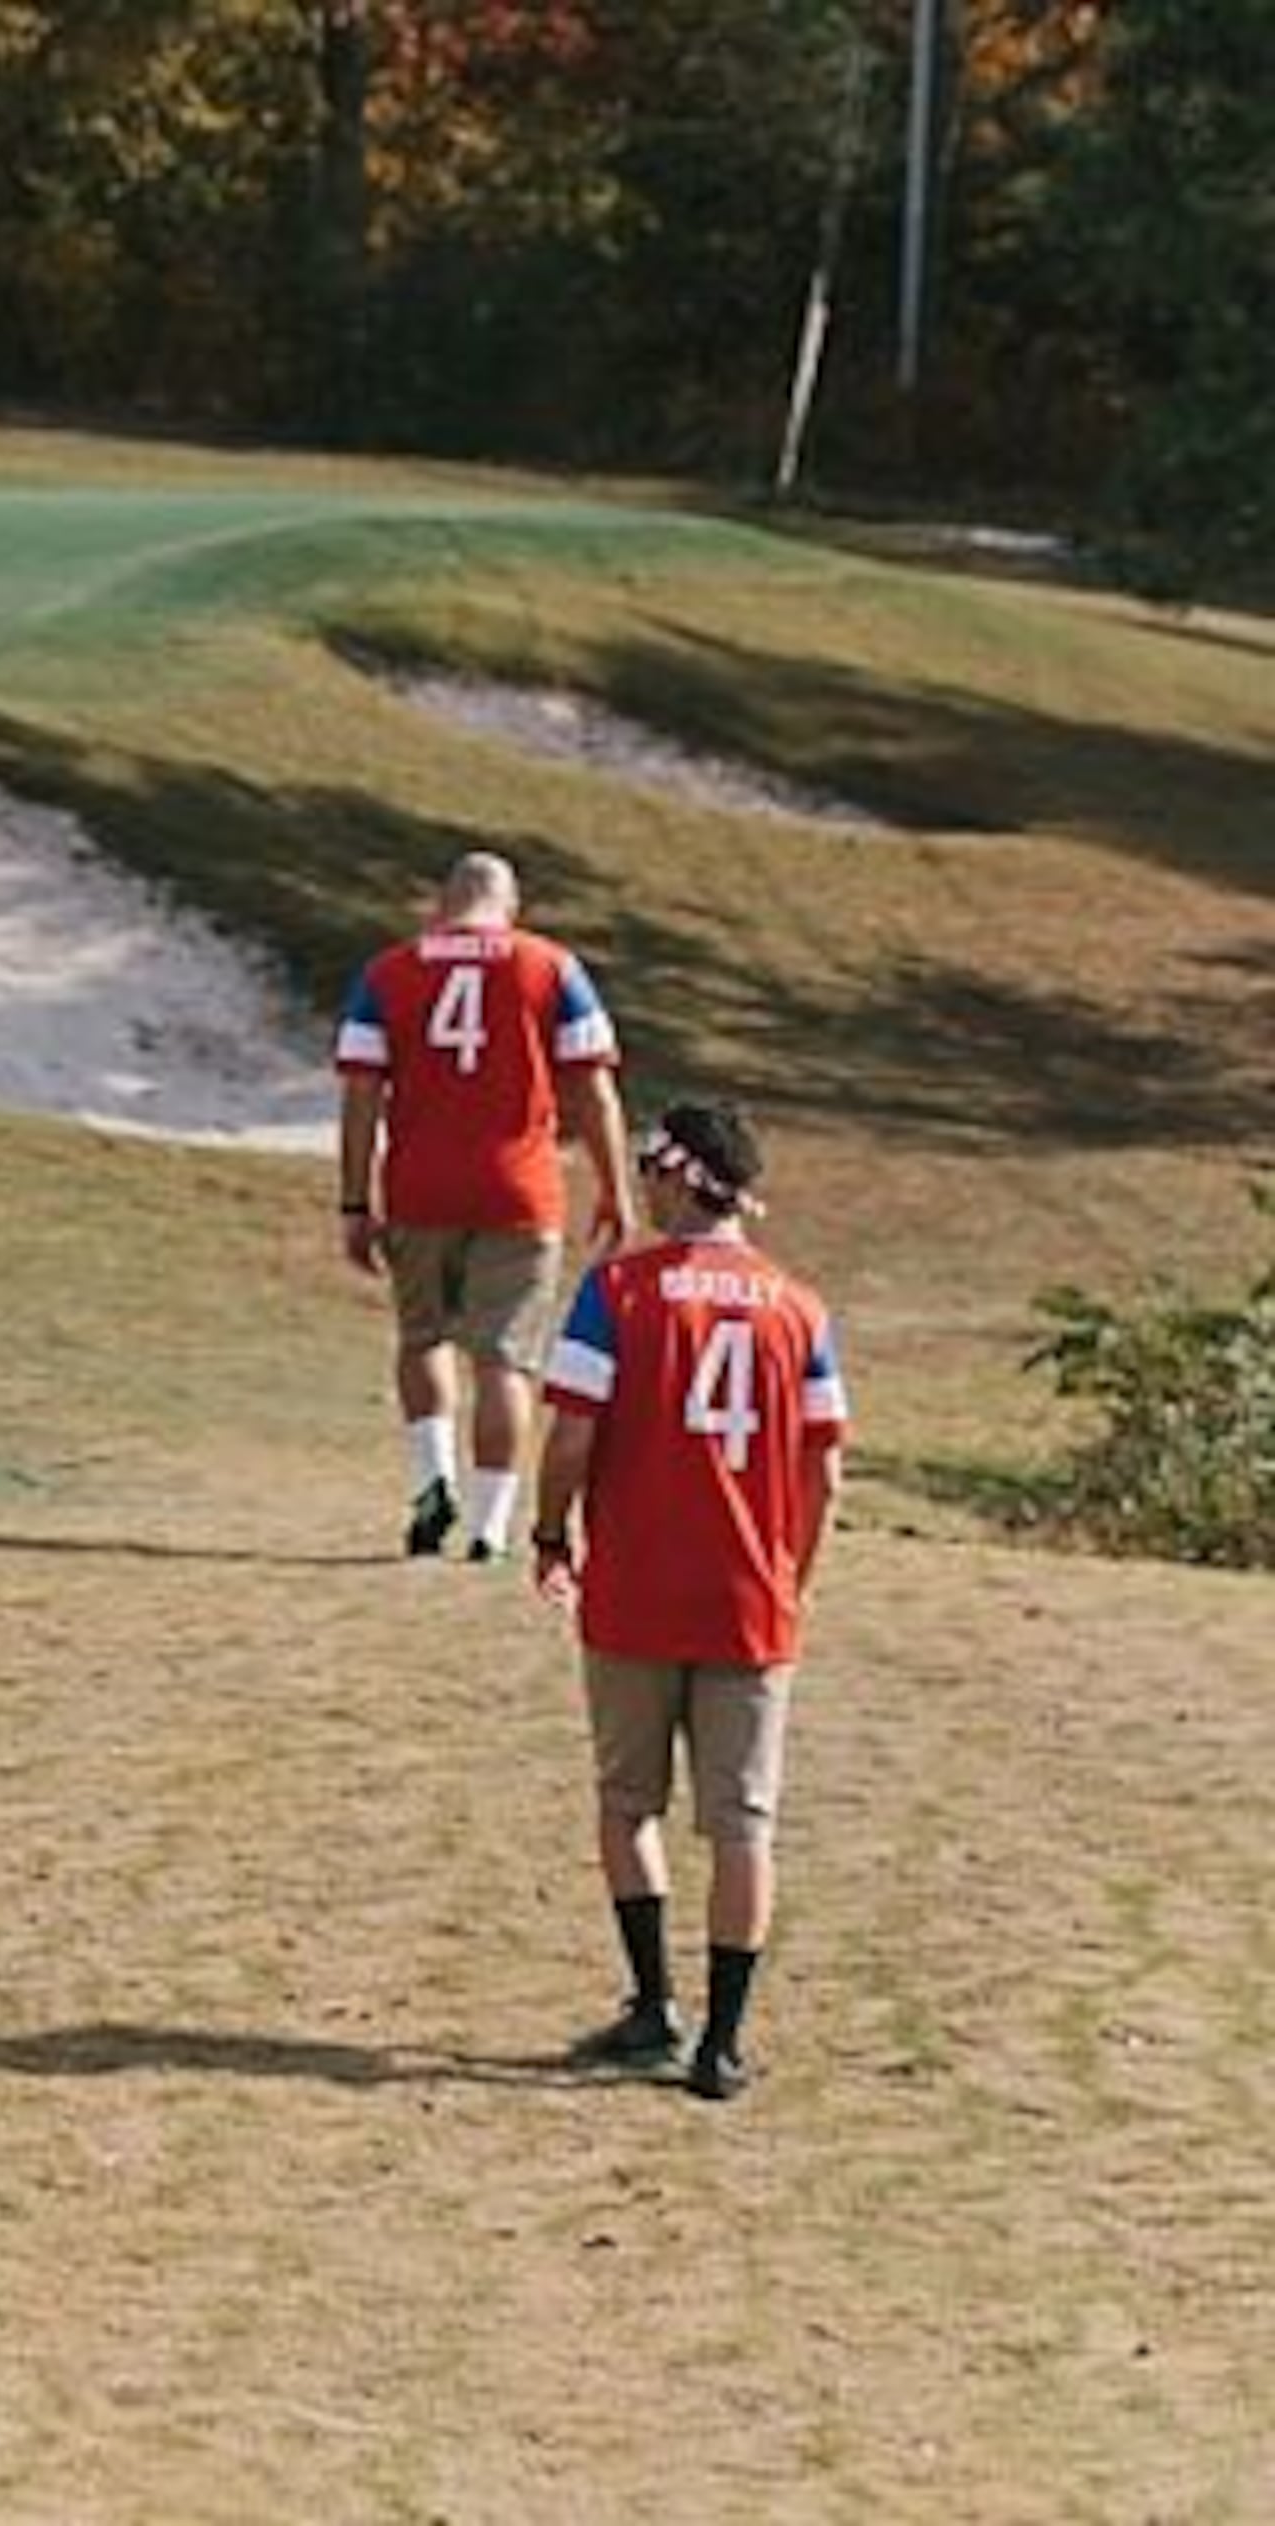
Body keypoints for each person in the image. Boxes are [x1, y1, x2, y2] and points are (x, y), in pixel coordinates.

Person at [530, 1101, 846, 2103]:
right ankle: (724, 2042)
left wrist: (550, 1534)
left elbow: (573, 1436)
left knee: (629, 1805)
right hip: (751, 1604)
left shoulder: (619, 1292)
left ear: (677, 1176)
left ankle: (652, 2002)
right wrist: (790, 1576)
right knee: (743, 1824)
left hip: (632, 1592)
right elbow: (825, 1471)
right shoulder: (801, 1309)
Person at [335, 850, 636, 1562]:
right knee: (505, 1361)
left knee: (422, 1339)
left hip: (418, 1186)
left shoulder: (389, 972)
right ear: (512, 907)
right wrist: (615, 1189)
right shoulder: (551, 966)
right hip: (521, 1190)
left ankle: (430, 1477)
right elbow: (593, 1088)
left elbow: (360, 1093)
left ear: (442, 905)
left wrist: (354, 1199)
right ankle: (490, 1523)